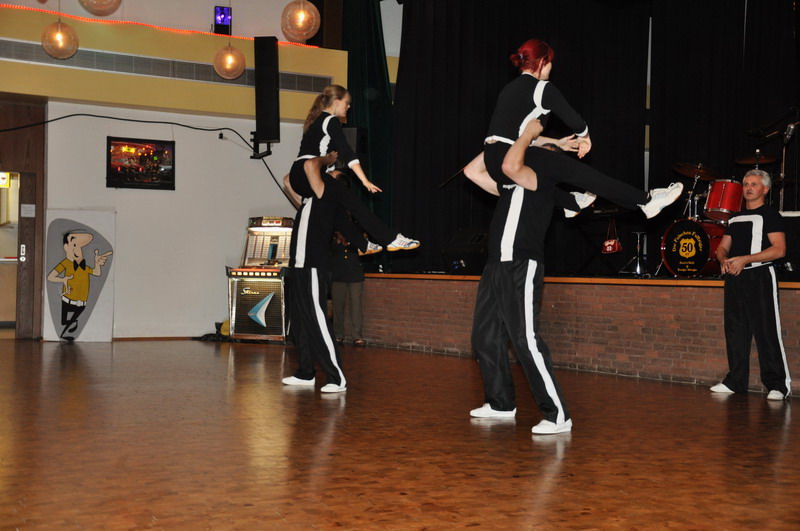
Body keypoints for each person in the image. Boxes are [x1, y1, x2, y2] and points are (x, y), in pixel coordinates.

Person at [465, 38, 683, 435]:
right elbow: (474, 171)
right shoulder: (515, 177)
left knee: (525, 340)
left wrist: (530, 138)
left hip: (520, 260)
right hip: (498, 261)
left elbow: (514, 163)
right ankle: (500, 403)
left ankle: (557, 415)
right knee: (484, 336)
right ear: (544, 62)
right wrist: (548, 137)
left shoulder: (531, 179)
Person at [281, 85, 419, 393]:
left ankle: (336, 377)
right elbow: (293, 178)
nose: (349, 108)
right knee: (301, 319)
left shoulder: (323, 194)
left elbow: (306, 171)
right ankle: (305, 372)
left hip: (312, 263)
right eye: (347, 103)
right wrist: (329, 161)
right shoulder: (313, 195)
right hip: (299, 262)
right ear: (336, 101)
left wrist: (340, 169)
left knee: (315, 317)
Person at [710, 169, 791, 400]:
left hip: (761, 276)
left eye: (754, 184)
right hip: (735, 278)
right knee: (735, 331)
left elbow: (779, 249)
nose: (748, 188)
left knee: (767, 330)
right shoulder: (734, 217)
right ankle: (735, 381)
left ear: (765, 189)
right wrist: (724, 260)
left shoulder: (771, 215)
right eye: (746, 184)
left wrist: (745, 259)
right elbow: (722, 248)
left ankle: (777, 385)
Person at [330, 231, 366, 347]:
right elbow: (328, 252)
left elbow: (364, 250)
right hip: (338, 276)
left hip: (355, 275)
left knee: (356, 306)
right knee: (337, 306)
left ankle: (357, 336)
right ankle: (338, 335)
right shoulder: (333, 239)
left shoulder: (357, 237)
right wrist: (337, 242)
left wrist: (350, 241)